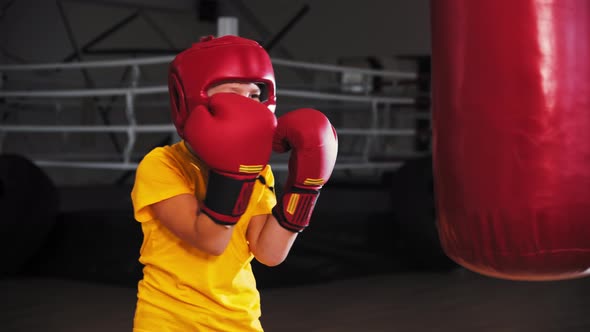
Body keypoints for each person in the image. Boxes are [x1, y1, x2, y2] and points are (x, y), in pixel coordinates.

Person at [130, 35, 338, 331]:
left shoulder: (258, 170)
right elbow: (211, 241)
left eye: (254, 96)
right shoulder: (162, 165)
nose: (248, 107)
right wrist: (234, 172)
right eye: (233, 94)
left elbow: (269, 253)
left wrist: (305, 188)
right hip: (170, 320)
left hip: (239, 319)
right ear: (192, 98)